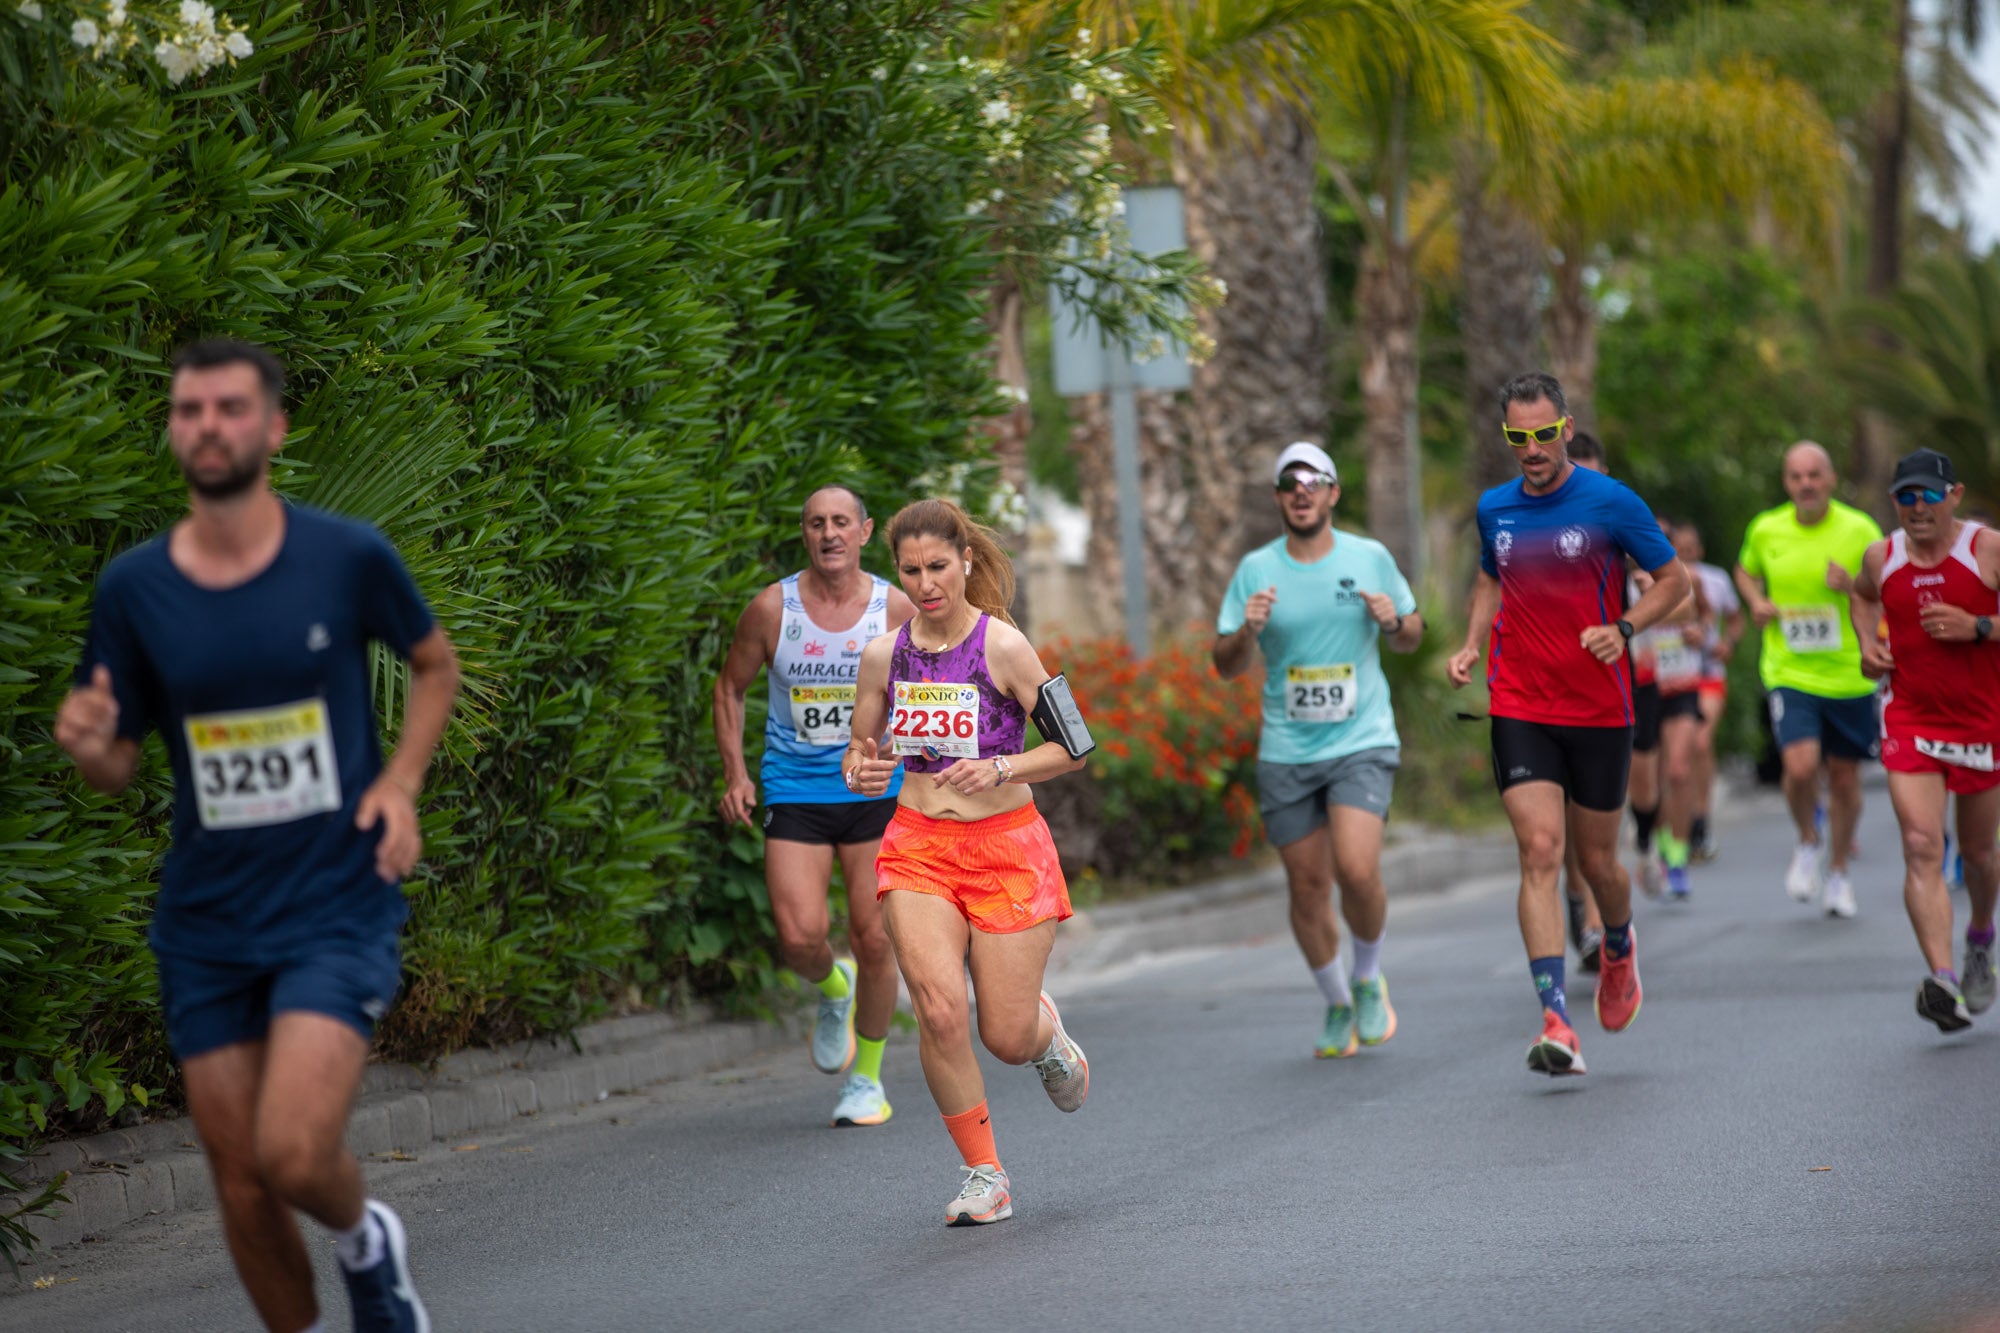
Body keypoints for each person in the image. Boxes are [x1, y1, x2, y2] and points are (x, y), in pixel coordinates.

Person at [56, 340, 458, 1333]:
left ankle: (365, 1239)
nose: (208, 425)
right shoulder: (134, 590)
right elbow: (118, 762)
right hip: (207, 918)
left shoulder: (346, 555)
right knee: (239, 1182)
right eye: (189, 409)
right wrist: (89, 746)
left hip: (333, 897)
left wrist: (400, 783)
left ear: (272, 428)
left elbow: (435, 664)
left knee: (287, 1152)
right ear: (173, 430)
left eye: (230, 408)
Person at [844, 499, 1091, 1226]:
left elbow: (1074, 746)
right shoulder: (884, 655)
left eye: (938, 567)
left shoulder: (1003, 646)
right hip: (918, 844)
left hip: (1007, 850)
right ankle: (985, 1173)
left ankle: (1045, 1033)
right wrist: (861, 767)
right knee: (939, 1007)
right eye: (912, 570)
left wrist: (1003, 764)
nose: (926, 583)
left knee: (1004, 1035)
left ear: (967, 563)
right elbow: (862, 750)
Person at [1449, 372, 1690, 1077]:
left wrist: (1625, 626)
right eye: (1517, 436)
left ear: (1565, 426)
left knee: (1599, 863)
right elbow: (1491, 577)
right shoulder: (1495, 509)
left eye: (1543, 433)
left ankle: (1618, 939)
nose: (1532, 448)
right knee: (1540, 851)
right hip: (1521, 701)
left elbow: (1671, 580)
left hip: (1599, 708)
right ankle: (1555, 1016)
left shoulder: (1611, 502)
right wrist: (1471, 643)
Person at [1212, 442, 1424, 1058]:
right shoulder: (1257, 570)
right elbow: (1224, 665)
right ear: (1278, 497)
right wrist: (1246, 631)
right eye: (1288, 482)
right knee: (1306, 887)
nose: (1300, 491)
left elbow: (1412, 636)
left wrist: (1392, 621)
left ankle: (1367, 977)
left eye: (1314, 481)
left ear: (1333, 493)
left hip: (1361, 740)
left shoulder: (1370, 558)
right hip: (1287, 748)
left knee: (1356, 869)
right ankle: (1335, 1000)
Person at [713, 485, 915, 1127]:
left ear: (864, 531)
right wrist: (737, 773)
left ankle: (867, 1080)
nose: (829, 534)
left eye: (840, 523)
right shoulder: (773, 608)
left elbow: (935, 689)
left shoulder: (894, 609)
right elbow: (729, 688)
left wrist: (909, 755)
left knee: (875, 939)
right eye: (815, 524)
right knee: (800, 937)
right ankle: (834, 989)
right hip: (797, 788)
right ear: (804, 534)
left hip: (874, 791)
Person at [1848, 449, 2000, 1031]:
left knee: (1981, 857)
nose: (1917, 507)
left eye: (1928, 496)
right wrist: (1867, 645)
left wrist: (1979, 627)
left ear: (1953, 496)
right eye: (1906, 497)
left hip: (1983, 723)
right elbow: (1861, 595)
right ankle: (1942, 979)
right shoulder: (1880, 557)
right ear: (1894, 502)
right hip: (1911, 718)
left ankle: (1980, 938)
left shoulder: (1985, 550)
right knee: (1920, 844)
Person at [1735, 442, 1883, 919]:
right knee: (1798, 768)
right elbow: (1744, 570)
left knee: (1843, 779)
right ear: (1786, 483)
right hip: (1789, 670)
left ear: (1832, 479)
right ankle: (1807, 838)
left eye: (1815, 475)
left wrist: (1855, 585)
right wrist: (1756, 601)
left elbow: (1888, 587)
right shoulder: (1766, 528)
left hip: (1848, 673)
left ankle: (1838, 871)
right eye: (1797, 476)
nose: (1806, 485)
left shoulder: (1860, 529)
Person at [1562, 434, 1611, 969]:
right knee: (1553, 828)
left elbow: (1670, 585)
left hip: (1606, 697)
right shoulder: (1534, 527)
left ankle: (1597, 917)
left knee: (1591, 824)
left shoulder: (1618, 523)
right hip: (1542, 697)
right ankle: (1584, 909)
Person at [1674, 521, 1744, 862]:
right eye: (1679, 549)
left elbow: (1735, 618)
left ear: (1699, 550)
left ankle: (1701, 818)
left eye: (1691, 549)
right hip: (1672, 678)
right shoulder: (1658, 578)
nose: (1685, 555)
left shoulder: (1715, 579)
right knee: (1678, 755)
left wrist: (1727, 643)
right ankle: (1678, 825)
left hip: (1708, 673)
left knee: (1700, 742)